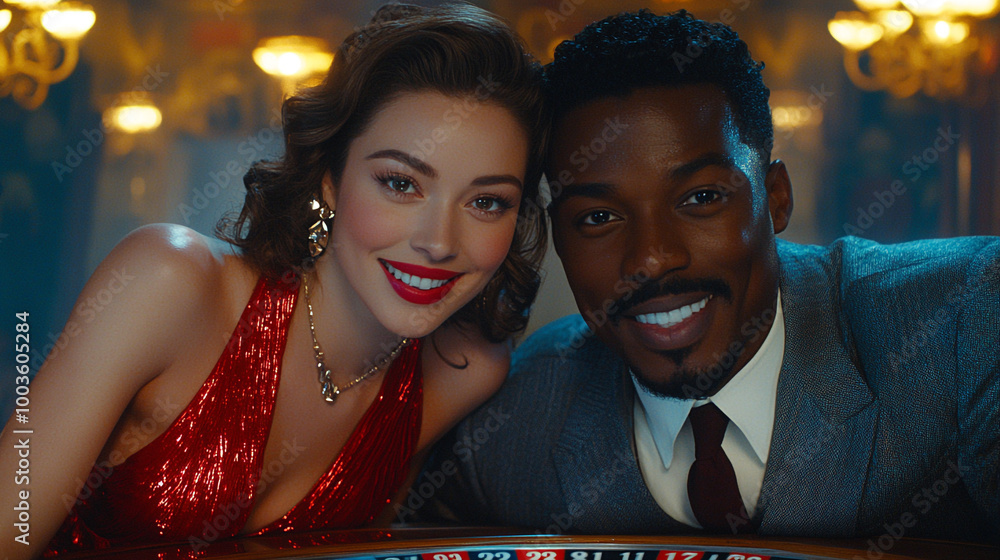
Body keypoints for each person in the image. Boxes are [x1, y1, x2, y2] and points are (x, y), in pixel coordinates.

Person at [423, 9, 999, 543]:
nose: (651, 258)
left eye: (700, 198)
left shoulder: (963, 319)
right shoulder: (514, 420)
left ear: (775, 199)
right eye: (597, 217)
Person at [0, 4, 548, 558]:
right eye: (401, 184)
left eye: (486, 202)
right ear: (330, 180)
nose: (440, 241)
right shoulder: (168, 281)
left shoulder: (462, 372)